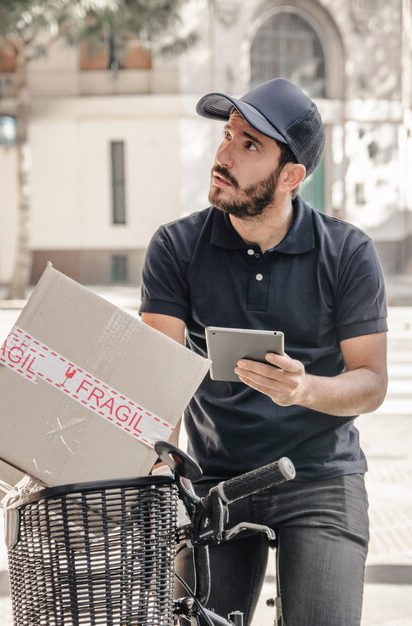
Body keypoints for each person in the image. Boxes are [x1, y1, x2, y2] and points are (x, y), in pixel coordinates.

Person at [140, 78, 388, 626]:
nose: (223, 154)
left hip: (320, 476)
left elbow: (371, 382)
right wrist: (160, 471)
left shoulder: (349, 253)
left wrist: (305, 389)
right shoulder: (176, 247)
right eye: (228, 135)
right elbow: (159, 382)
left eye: (250, 145)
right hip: (214, 478)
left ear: (292, 176)